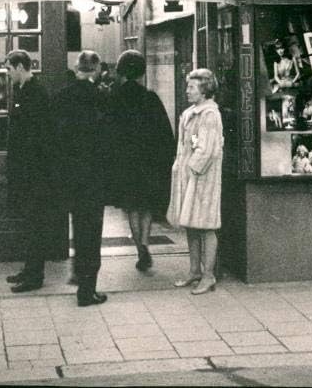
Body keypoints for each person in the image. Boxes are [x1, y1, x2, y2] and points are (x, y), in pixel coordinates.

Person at [106, 50, 175, 272]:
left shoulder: (114, 99)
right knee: (146, 206)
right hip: (149, 163)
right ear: (141, 73)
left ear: (121, 71)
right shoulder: (150, 98)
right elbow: (165, 134)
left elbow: (108, 133)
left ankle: (139, 249)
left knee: (132, 208)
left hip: (124, 164)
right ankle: (145, 243)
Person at [53, 50, 108, 306]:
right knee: (91, 232)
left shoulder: (62, 96)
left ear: (77, 68)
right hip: (92, 176)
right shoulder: (99, 97)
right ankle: (87, 288)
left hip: (67, 174)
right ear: (96, 69)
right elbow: (107, 139)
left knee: (75, 227)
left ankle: (77, 271)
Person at [167, 68, 224, 296]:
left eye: (192, 87)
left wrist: (190, 168)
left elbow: (207, 150)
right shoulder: (191, 112)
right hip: (190, 177)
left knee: (206, 226)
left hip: (203, 180)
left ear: (204, 89)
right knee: (191, 224)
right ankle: (194, 270)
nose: (187, 90)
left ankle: (208, 275)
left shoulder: (210, 114)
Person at [4, 49, 55, 294]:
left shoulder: (37, 93)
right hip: (24, 170)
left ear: (21, 67)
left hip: (34, 171)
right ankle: (29, 269)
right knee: (29, 223)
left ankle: (35, 275)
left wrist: (32, 168)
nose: (7, 73)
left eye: (9, 69)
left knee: (35, 224)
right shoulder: (21, 91)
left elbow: (39, 136)